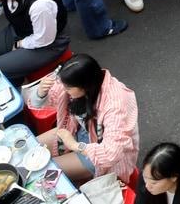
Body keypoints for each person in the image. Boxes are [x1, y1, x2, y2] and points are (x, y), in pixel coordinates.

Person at [35, 54, 139, 182]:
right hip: (78, 130)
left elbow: (111, 153)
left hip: (101, 153)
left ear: (84, 87)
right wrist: (41, 92)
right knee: (33, 147)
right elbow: (48, 98)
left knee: (45, 172)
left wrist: (74, 145)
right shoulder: (78, 80)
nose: (63, 89)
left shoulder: (115, 105)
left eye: (67, 87)